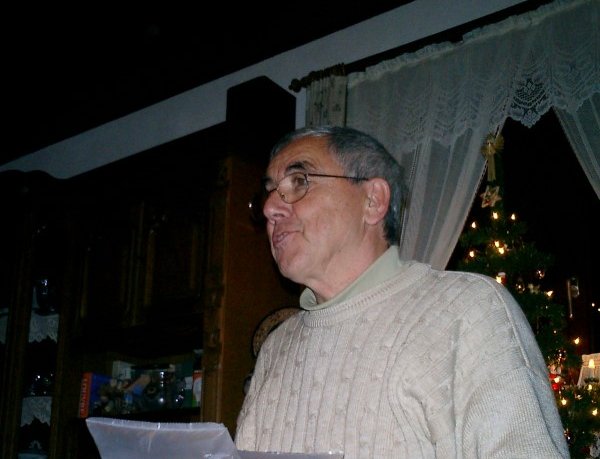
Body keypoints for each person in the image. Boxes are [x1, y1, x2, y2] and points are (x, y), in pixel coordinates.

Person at [234, 126, 569, 458]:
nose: (270, 208)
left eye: (299, 181)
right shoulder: (276, 348)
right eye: (269, 191)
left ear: (373, 200)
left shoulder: (469, 311)